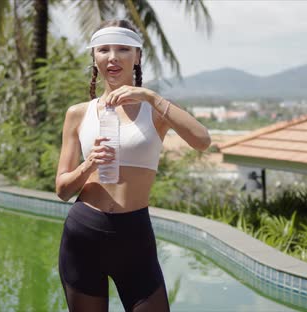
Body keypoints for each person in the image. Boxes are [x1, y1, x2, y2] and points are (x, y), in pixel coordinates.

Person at [55, 19, 211, 312]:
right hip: (83, 234)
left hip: (134, 237)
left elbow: (202, 140)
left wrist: (150, 96)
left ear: (137, 56)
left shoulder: (156, 111)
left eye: (123, 49)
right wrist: (90, 164)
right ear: (94, 57)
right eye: (104, 50)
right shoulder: (78, 114)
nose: (112, 57)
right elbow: (62, 190)